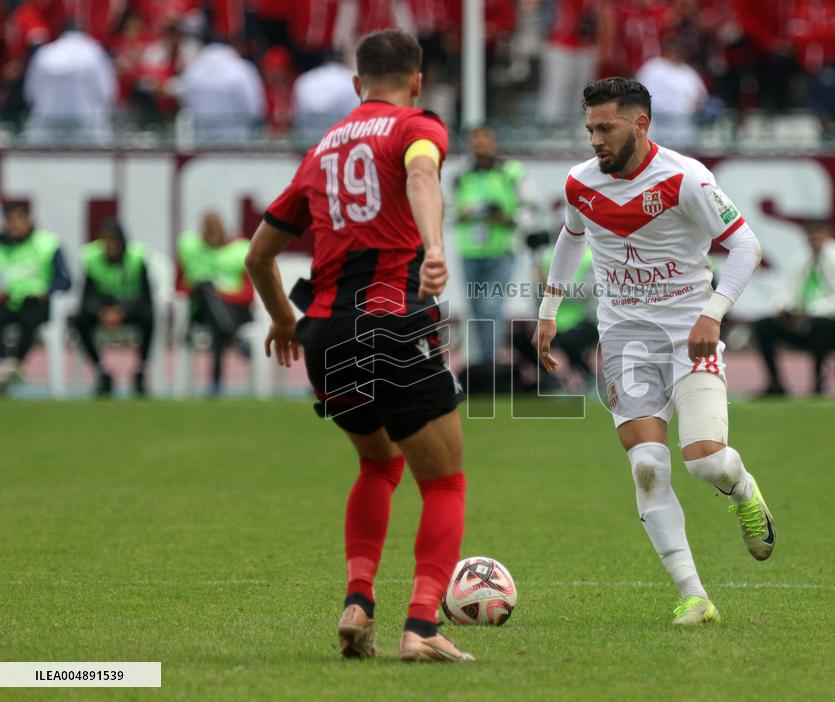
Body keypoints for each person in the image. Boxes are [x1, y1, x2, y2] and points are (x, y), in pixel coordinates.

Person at [244, 29, 472, 662]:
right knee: (445, 484)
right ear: (417, 82)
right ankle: (421, 628)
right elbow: (422, 173)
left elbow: (258, 256)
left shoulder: (321, 149)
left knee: (378, 465)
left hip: (324, 332)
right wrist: (434, 246)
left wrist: (284, 320)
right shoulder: (416, 126)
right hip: (393, 321)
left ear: (355, 84)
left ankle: (358, 603)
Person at [532, 77, 775, 626]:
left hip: (690, 334)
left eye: (606, 128)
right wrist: (549, 310)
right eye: (590, 128)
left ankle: (743, 490)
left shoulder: (686, 179)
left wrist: (713, 311)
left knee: (706, 462)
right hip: (624, 340)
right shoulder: (580, 182)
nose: (595, 140)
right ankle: (694, 596)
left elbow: (745, 245)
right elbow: (572, 236)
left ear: (640, 124)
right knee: (646, 465)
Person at [753, 218, 835, 396]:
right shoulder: (802, 257)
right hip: (802, 322)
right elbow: (789, 291)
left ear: (828, 234)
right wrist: (782, 307)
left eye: (818, 233)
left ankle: (818, 385)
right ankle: (775, 384)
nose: (814, 238)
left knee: (819, 326)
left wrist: (812, 310)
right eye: (810, 234)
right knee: (763, 326)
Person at [454, 126, 523, 362]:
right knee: (475, 309)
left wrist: (504, 217)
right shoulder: (462, 176)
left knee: (491, 307)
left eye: (485, 141)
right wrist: (463, 212)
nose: (481, 146)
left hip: (501, 252)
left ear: (495, 143)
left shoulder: (510, 172)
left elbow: (528, 209)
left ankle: (491, 363)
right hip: (470, 252)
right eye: (476, 141)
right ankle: (484, 363)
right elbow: (449, 211)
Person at [74, 219, 154, 397]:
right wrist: (101, 311)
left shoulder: (137, 258)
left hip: (130, 308)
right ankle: (101, 371)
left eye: (113, 240)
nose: (109, 245)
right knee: (80, 320)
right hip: (103, 308)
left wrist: (122, 311)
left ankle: (140, 370)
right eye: (105, 240)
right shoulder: (92, 258)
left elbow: (145, 295)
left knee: (149, 317)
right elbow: (87, 296)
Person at [177, 212, 253, 395]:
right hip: (200, 309)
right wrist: (203, 290)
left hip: (235, 311)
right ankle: (234, 340)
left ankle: (215, 383)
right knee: (204, 288)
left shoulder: (240, 250)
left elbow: (248, 295)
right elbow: (179, 287)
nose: (210, 231)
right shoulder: (190, 248)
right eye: (207, 227)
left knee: (217, 321)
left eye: (215, 226)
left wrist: (220, 295)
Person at [0, 203, 71, 392]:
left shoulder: (48, 244)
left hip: (36, 302)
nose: (14, 225)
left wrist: (46, 292)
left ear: (28, 220)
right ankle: (4, 365)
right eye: (10, 221)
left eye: (18, 220)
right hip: (7, 302)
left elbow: (65, 280)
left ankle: (15, 363)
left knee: (30, 315)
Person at [23, 25, 117, 145]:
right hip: (86, 122)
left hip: (48, 120)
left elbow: (30, 93)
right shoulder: (94, 52)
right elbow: (106, 91)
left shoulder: (45, 53)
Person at [178, 38, 265, 142]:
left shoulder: (193, 70)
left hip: (203, 140)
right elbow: (255, 108)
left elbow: (186, 105)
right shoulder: (242, 69)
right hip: (238, 140)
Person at [635, 38, 708, 149]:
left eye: (679, 50)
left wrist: (694, 106)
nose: (675, 54)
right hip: (656, 124)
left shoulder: (688, 72)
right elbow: (637, 93)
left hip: (683, 125)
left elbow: (701, 97)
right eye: (673, 50)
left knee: (681, 154)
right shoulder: (652, 67)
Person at [291, 50, 359, 143]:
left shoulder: (304, 80)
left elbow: (297, 117)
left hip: (308, 142)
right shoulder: (350, 79)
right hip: (341, 142)